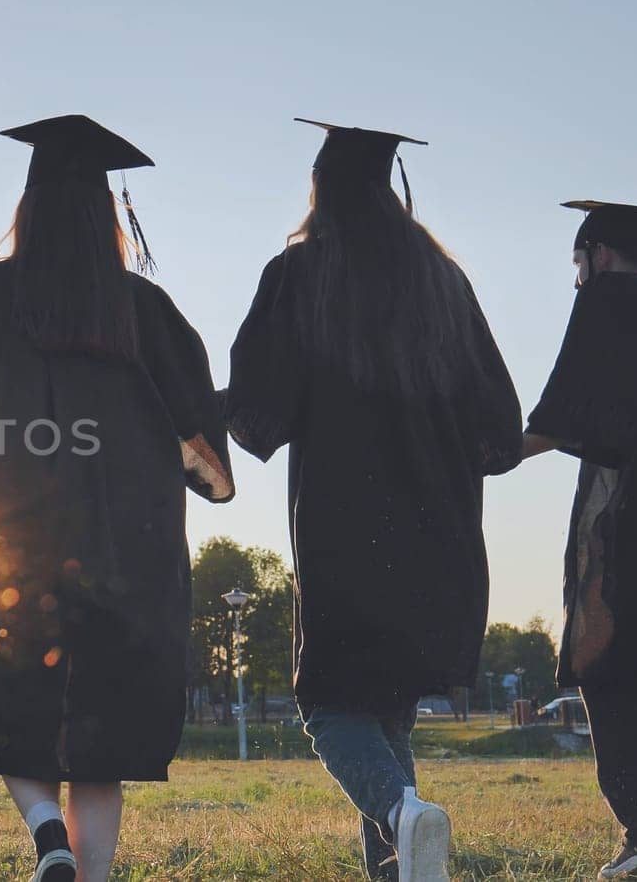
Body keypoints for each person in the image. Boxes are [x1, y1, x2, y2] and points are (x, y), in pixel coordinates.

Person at [0, 114, 234, 882]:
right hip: (128, 555)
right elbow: (208, 464)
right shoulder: (148, 312)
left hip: (11, 551)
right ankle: (86, 869)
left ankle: (49, 836)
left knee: (15, 715)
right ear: (108, 216)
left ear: (28, 210)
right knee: (100, 746)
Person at [224, 120, 522, 882]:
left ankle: (403, 815)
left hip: (347, 533)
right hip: (441, 535)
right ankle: (397, 869)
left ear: (321, 188)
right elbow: (499, 429)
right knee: (386, 711)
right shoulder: (443, 283)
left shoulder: (302, 274)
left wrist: (194, 406)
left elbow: (261, 407)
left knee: (329, 707)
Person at [522, 199, 637, 879]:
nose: (578, 279)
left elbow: (568, 411)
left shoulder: (610, 298)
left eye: (578, 266)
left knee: (605, 663)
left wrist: (489, 454)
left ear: (598, 255)